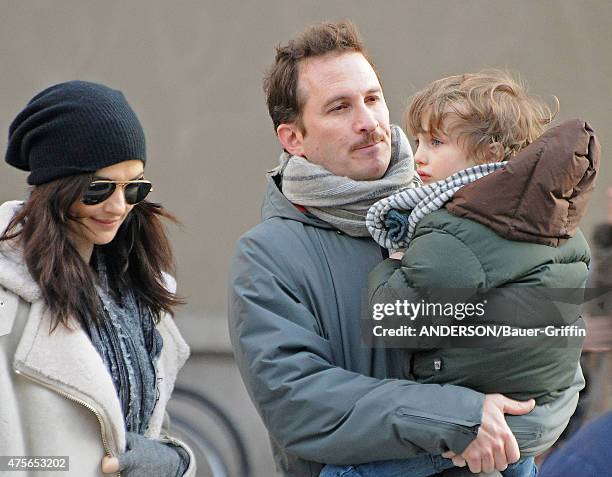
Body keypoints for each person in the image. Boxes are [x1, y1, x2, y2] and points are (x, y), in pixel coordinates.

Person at [227, 21, 586, 477]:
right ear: (293, 138)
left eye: (373, 99)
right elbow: (297, 404)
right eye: (339, 108)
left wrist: (514, 428)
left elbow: (557, 362)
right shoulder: (267, 255)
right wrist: (459, 418)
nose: (369, 122)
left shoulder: (466, 210)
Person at [323, 72, 599, 477]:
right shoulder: (555, 221)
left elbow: (396, 321)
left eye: (436, 142)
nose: (418, 156)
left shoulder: (457, 228)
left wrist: (393, 261)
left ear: (488, 153)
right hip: (533, 414)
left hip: (474, 418)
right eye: (418, 140)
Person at [0, 81, 195, 477]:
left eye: (134, 187)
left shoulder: (135, 292)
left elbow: (150, 424)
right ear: (57, 188)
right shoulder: (10, 299)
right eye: (98, 189)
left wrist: (175, 462)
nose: (118, 206)